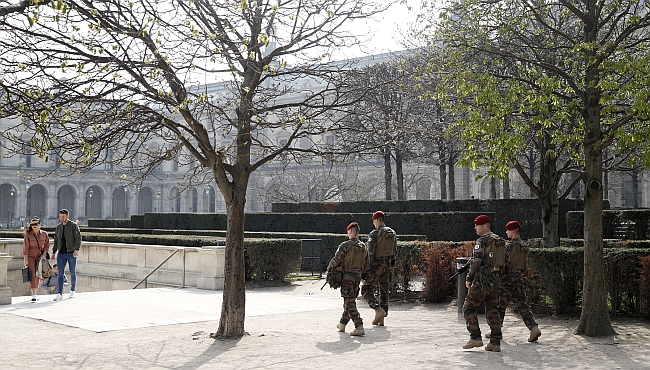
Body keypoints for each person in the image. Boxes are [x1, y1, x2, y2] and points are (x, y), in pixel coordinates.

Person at [492, 220, 541, 342]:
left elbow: (500, 263)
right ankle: (533, 328)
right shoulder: (524, 246)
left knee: (500, 305)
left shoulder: (508, 247)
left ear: (512, 232)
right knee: (522, 304)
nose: (506, 232)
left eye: (508, 230)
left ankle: (496, 331)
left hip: (506, 279)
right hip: (518, 277)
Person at [462, 214, 503, 352]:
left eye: (477, 225)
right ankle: (495, 343)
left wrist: (469, 277)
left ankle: (475, 338)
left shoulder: (482, 240)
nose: (475, 228)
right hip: (495, 280)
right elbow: (506, 261)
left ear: (484, 226)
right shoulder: (499, 240)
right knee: (493, 310)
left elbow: (477, 260)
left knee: (468, 307)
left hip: (482, 280)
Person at [328, 222, 369, 337]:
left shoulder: (345, 245)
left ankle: (359, 326)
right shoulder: (363, 247)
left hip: (347, 277)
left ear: (350, 231)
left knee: (349, 301)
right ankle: (342, 324)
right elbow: (367, 263)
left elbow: (336, 260)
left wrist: (329, 269)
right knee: (350, 300)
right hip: (357, 277)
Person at [361, 210, 396, 326]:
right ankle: (382, 319)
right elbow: (394, 252)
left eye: (373, 221)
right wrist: (390, 266)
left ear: (376, 220)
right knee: (384, 292)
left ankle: (377, 309)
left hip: (376, 265)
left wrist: (366, 269)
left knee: (366, 289)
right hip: (387, 266)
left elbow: (370, 253)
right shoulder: (392, 233)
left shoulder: (374, 234)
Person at [50, 209, 82, 302]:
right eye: (60, 217)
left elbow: (78, 238)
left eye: (63, 217)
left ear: (67, 216)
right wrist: (53, 252)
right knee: (60, 273)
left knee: (72, 272)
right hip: (61, 253)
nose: (61, 218)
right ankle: (60, 293)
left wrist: (77, 249)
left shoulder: (73, 225)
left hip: (71, 252)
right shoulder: (59, 227)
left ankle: (72, 290)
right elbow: (56, 240)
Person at [23, 217, 50, 302]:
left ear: (39, 225)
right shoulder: (28, 234)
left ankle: (36, 292)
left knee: (38, 274)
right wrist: (25, 259)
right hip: (30, 256)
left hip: (39, 256)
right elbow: (25, 248)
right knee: (32, 274)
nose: (33, 226)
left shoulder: (44, 234)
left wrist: (44, 254)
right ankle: (34, 294)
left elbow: (47, 245)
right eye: (32, 224)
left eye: (35, 224)